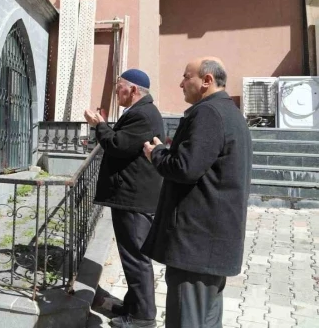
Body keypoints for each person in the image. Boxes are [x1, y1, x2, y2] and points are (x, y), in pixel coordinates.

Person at [142, 58, 252, 328]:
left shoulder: (209, 113)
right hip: (211, 242)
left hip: (196, 244)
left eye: (186, 76)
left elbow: (184, 168)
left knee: (186, 319)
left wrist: (156, 154)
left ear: (206, 81)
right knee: (206, 319)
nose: (181, 83)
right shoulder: (227, 112)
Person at [84, 69, 164, 328]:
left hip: (134, 197)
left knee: (136, 258)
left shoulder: (143, 114)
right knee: (132, 256)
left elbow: (117, 145)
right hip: (131, 195)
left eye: (119, 87)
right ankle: (134, 304)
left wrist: (100, 126)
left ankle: (142, 317)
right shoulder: (139, 112)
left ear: (133, 90)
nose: (116, 91)